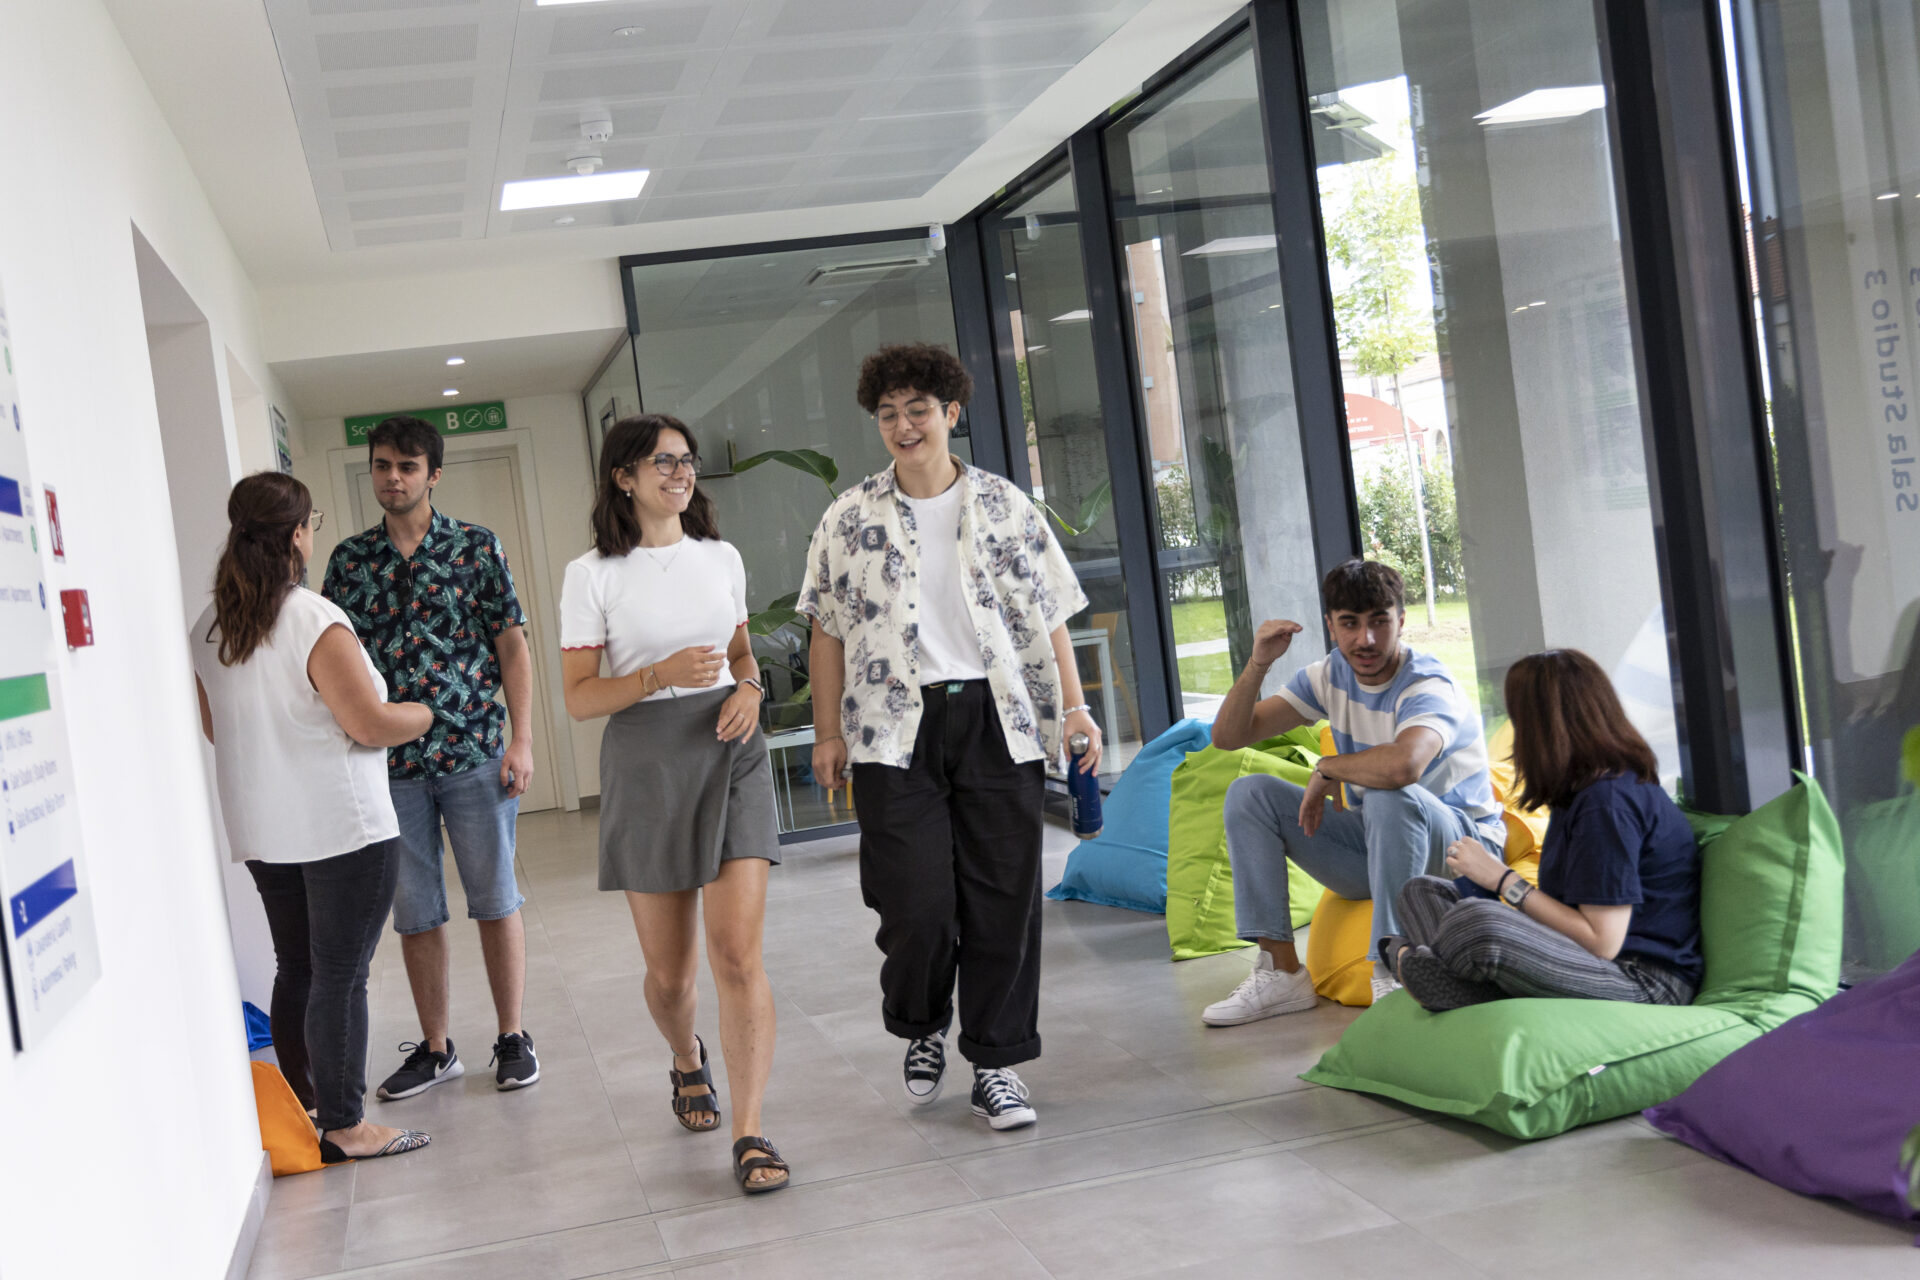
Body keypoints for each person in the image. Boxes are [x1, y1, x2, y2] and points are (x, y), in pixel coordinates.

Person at [800, 342, 1101, 1132]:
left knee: (1005, 900)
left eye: (919, 410)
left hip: (1001, 722)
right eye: (889, 414)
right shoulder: (848, 517)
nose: (904, 426)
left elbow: (1052, 613)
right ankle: (922, 1021)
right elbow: (826, 630)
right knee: (914, 902)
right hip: (892, 730)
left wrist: (1075, 709)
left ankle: (996, 1063)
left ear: (951, 414)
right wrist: (826, 731)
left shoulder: (1005, 505)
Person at [558, 415, 788, 1194]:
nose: (680, 473)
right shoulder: (591, 575)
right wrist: (656, 674)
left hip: (731, 748)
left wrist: (751, 686)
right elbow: (581, 699)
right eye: (663, 462)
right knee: (671, 978)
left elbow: (741, 649)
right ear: (624, 476)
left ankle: (752, 1131)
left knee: (736, 954)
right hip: (648, 762)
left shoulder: (720, 557)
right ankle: (686, 1058)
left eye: (686, 461)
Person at [191, 473, 432, 1165]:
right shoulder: (311, 618)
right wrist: (422, 713)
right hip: (341, 825)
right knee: (341, 973)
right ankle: (348, 1125)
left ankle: (309, 1106)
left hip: (265, 827)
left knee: (297, 966)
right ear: (298, 534)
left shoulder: (207, 628)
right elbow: (369, 722)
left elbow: (218, 732)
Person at [322, 415, 541, 1097]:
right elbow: (332, 663)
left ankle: (512, 1036)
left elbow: (512, 647)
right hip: (389, 768)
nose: (394, 477)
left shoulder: (477, 548)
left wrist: (522, 738)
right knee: (415, 912)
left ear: (433, 474)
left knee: (495, 899)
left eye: (408, 466)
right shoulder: (349, 563)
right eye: (384, 465)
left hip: (475, 750)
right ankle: (437, 1047)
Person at [1200, 558, 1504, 1026]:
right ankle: (1281, 972)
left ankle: (1392, 970)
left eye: (1379, 621)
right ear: (1331, 626)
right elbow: (1229, 736)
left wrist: (1329, 768)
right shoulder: (1329, 676)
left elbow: (1404, 765)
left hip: (1462, 853)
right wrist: (1258, 663)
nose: (1365, 639)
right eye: (1350, 624)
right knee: (1249, 794)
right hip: (1378, 846)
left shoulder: (1428, 684)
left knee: (1387, 792)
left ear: (1401, 620)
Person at [1381, 649, 1703, 1011]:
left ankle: (1437, 974)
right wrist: (1488, 890)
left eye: (1518, 720)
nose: (1515, 735)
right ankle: (1455, 984)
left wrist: (1502, 881)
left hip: (1641, 981)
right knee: (1422, 892)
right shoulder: (1579, 794)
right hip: (1589, 961)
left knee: (1477, 922)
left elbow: (1602, 942)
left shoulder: (1608, 802)